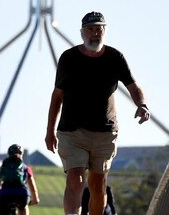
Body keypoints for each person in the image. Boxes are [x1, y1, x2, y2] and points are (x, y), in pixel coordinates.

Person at [45, 11, 150, 215]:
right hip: (72, 131)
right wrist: (49, 132)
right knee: (75, 178)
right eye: (90, 29)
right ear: (82, 33)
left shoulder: (115, 58)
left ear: (105, 31)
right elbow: (57, 96)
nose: (95, 33)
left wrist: (142, 104)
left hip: (105, 132)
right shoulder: (69, 58)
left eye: (99, 29)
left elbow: (134, 87)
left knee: (98, 183)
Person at [0, 144, 40, 215]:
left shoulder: (3, 168)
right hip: (21, 196)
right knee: (23, 207)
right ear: (22, 154)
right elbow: (33, 188)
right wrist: (35, 199)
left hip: (5, 195)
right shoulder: (26, 168)